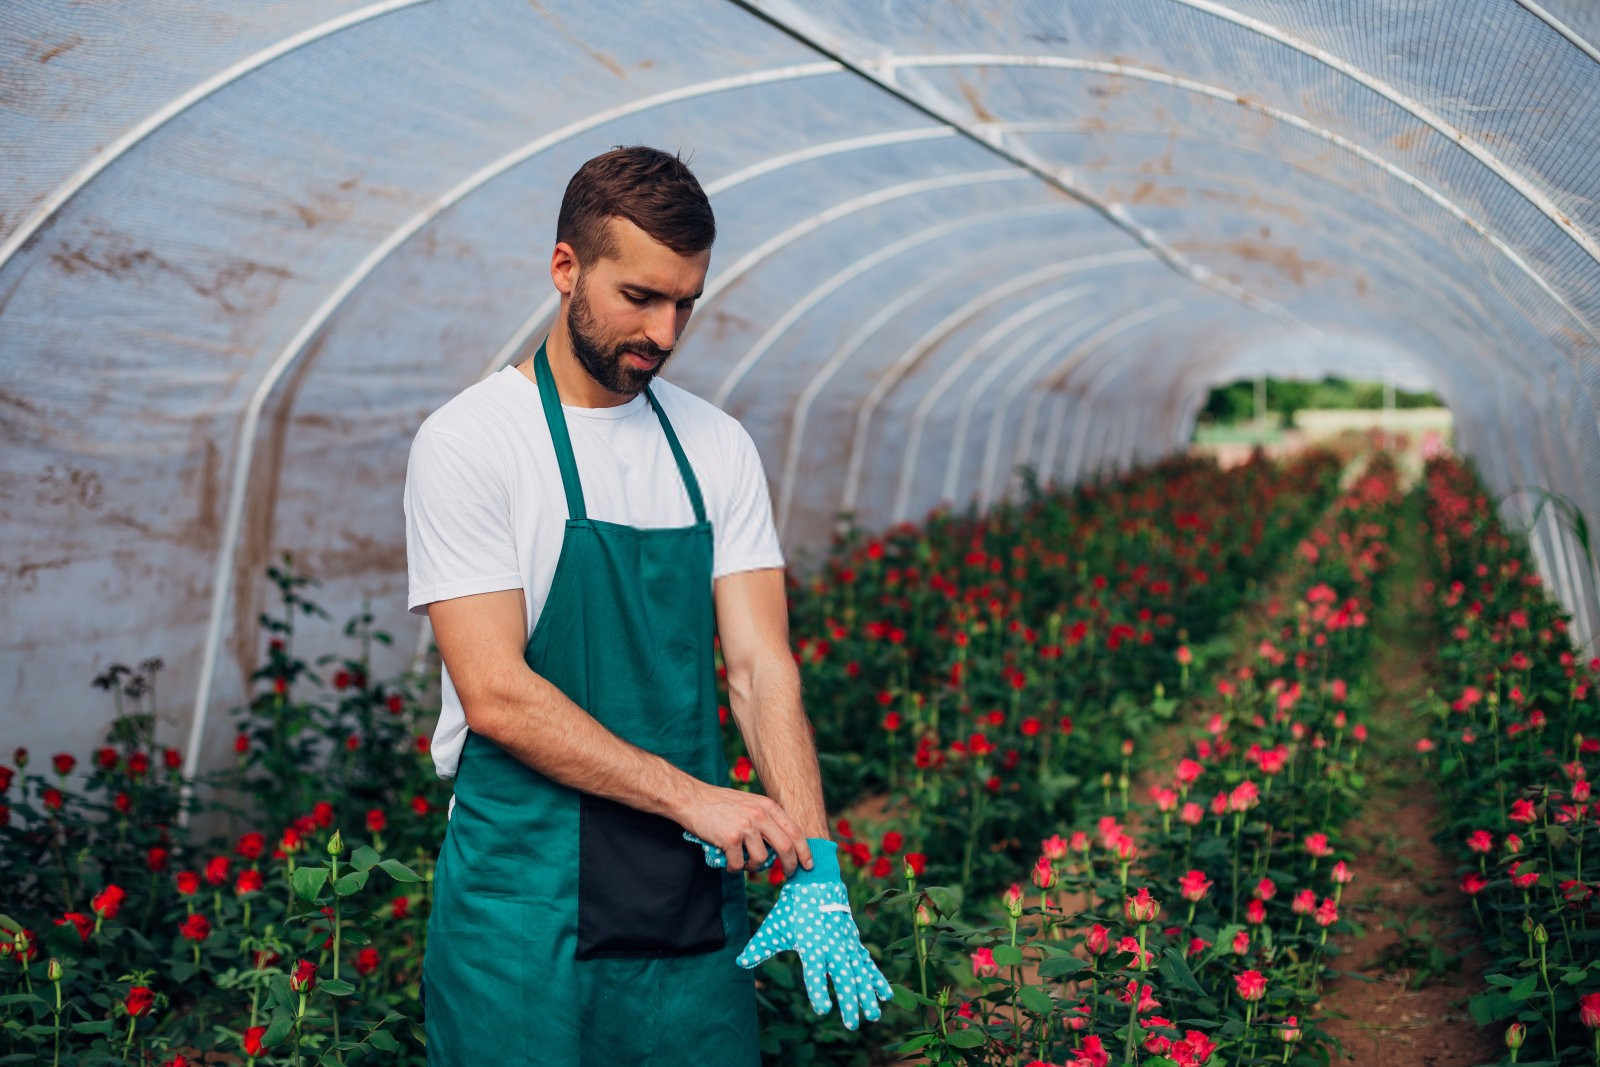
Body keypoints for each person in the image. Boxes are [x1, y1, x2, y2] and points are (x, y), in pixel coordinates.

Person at [403, 145, 891, 1066]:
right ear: (565, 268)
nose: (665, 333)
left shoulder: (717, 448)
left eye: (687, 303)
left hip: (682, 899)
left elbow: (758, 667)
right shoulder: (472, 443)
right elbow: (495, 691)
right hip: (524, 901)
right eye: (640, 297)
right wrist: (695, 800)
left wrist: (816, 863)